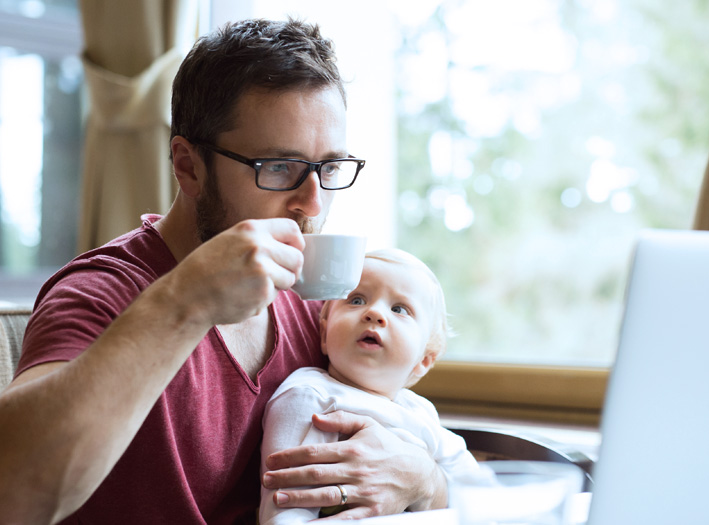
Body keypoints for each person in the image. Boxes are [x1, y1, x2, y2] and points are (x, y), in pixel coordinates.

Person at [0, 18, 447, 524]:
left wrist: (422, 478)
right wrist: (186, 302)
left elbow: (404, 447)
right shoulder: (101, 292)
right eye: (279, 167)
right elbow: (12, 493)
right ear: (188, 166)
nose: (312, 205)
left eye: (330, 168)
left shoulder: (316, 304)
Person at [260, 248, 484, 523]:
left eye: (400, 309)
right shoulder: (309, 396)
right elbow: (284, 510)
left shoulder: (420, 412)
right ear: (324, 335)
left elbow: (476, 493)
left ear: (423, 361)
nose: (374, 312)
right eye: (356, 300)